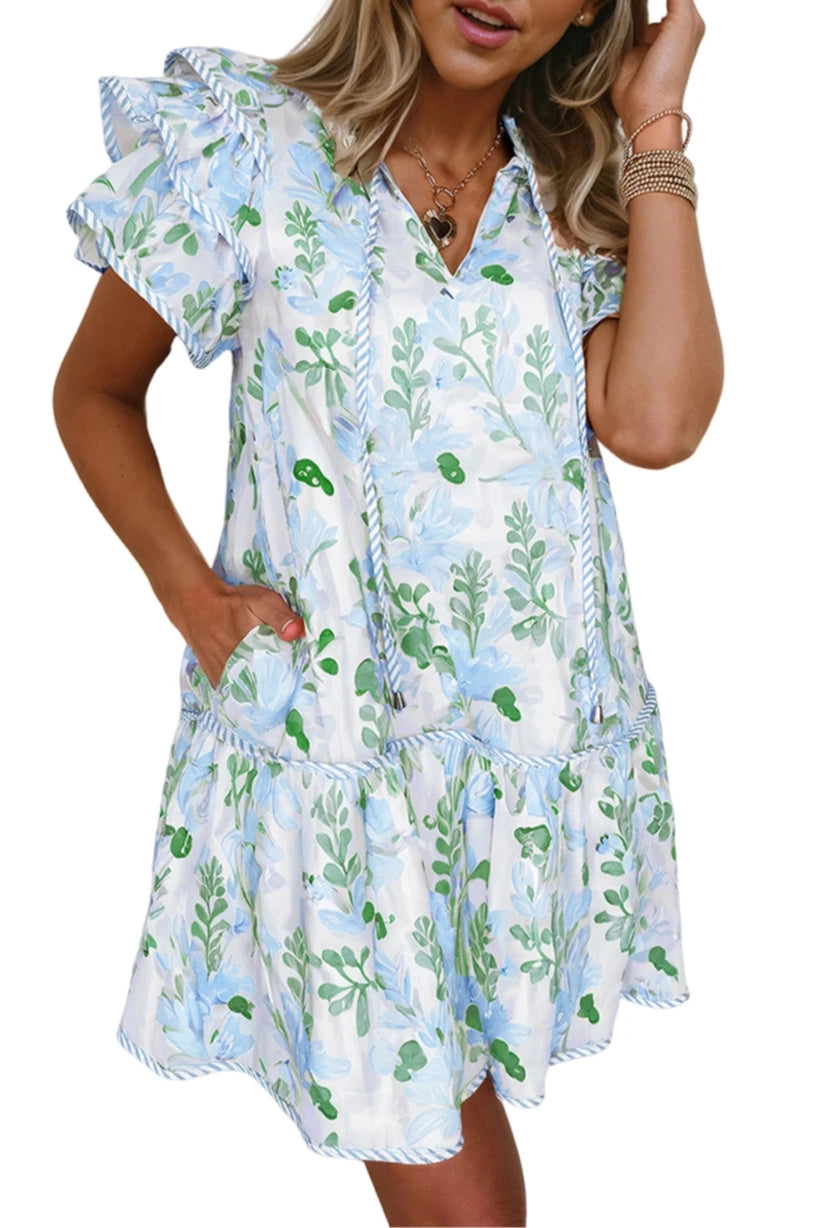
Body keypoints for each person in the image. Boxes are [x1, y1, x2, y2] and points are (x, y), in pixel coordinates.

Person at [54, 1, 720, 1224]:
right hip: (342, 771)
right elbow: (93, 390)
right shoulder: (246, 147)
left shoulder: (568, 192)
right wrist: (190, 595)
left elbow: (655, 422)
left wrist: (655, 125)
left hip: (511, 779)